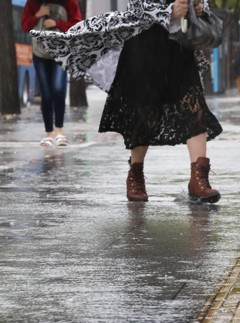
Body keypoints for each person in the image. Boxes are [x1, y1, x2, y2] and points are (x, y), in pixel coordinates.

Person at [31, 0, 223, 203]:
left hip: (180, 47)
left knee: (194, 107)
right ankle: (136, 174)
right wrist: (168, 11)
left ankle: (199, 180)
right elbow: (135, 6)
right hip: (144, 43)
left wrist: (199, 8)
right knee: (144, 113)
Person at [21, 0, 82, 148]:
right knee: (46, 93)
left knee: (59, 89)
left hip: (61, 53)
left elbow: (78, 26)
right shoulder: (33, 3)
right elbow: (25, 26)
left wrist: (57, 23)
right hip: (40, 54)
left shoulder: (69, 2)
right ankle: (49, 134)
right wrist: (38, 15)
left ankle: (59, 132)